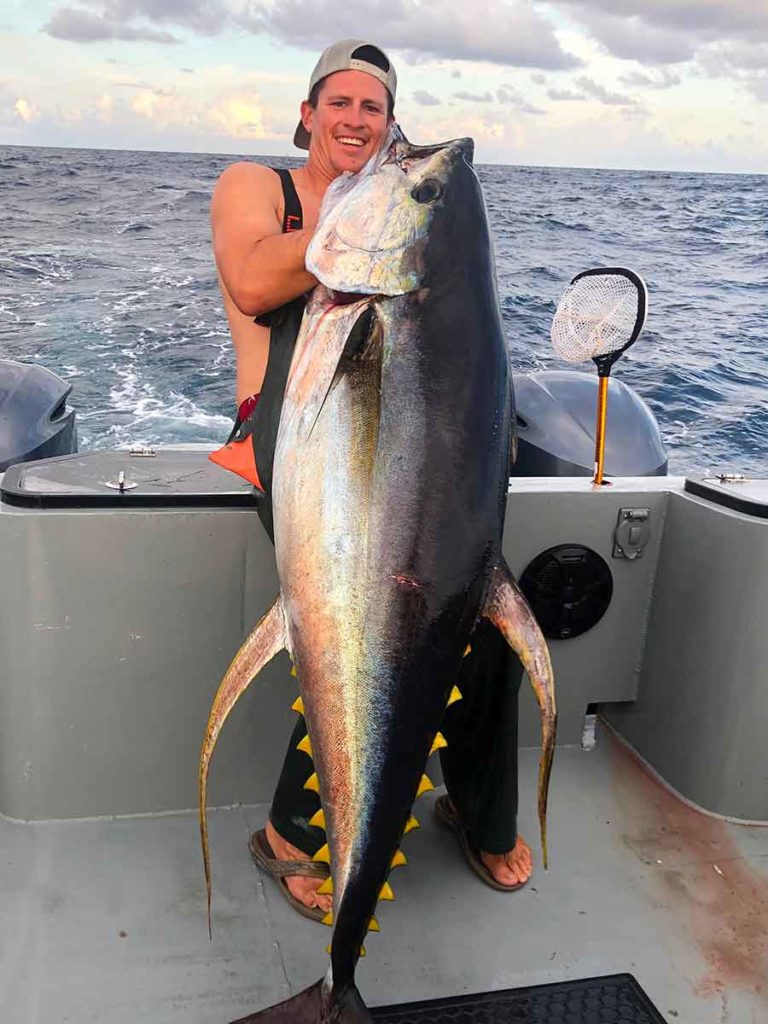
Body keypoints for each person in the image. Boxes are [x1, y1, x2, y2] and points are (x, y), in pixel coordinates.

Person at [210, 39, 532, 922]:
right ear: (308, 113)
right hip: (295, 441)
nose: (357, 120)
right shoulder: (263, 189)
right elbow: (248, 279)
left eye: (375, 109)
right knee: (354, 620)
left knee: (482, 617)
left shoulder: (387, 215)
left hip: (383, 445)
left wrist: (398, 222)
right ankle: (294, 832)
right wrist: (376, 223)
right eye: (340, 103)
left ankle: (477, 805)